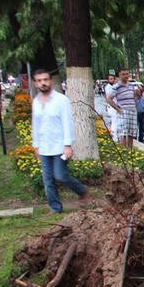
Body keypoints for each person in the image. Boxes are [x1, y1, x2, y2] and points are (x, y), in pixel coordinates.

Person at [30, 68, 89, 213]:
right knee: (47, 180)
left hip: (59, 146)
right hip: (44, 147)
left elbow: (67, 122)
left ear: (50, 81)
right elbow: (35, 125)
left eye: (45, 80)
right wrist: (36, 145)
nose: (43, 83)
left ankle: (82, 191)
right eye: (39, 81)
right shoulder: (36, 102)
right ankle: (55, 208)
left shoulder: (61, 100)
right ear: (35, 83)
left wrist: (68, 145)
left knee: (60, 175)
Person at [105, 68, 137, 149]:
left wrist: (137, 95)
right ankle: (124, 153)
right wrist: (118, 109)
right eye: (123, 74)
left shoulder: (131, 85)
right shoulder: (117, 86)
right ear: (119, 75)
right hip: (124, 111)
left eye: (127, 74)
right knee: (123, 133)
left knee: (131, 133)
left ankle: (130, 153)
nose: (126, 76)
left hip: (132, 111)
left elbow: (134, 97)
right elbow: (109, 99)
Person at [104, 74, 118, 141]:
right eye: (110, 79)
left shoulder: (113, 86)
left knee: (116, 122)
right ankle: (114, 138)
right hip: (112, 107)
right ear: (108, 80)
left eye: (113, 78)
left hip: (114, 106)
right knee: (114, 122)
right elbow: (109, 97)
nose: (112, 80)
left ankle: (116, 137)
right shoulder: (108, 87)